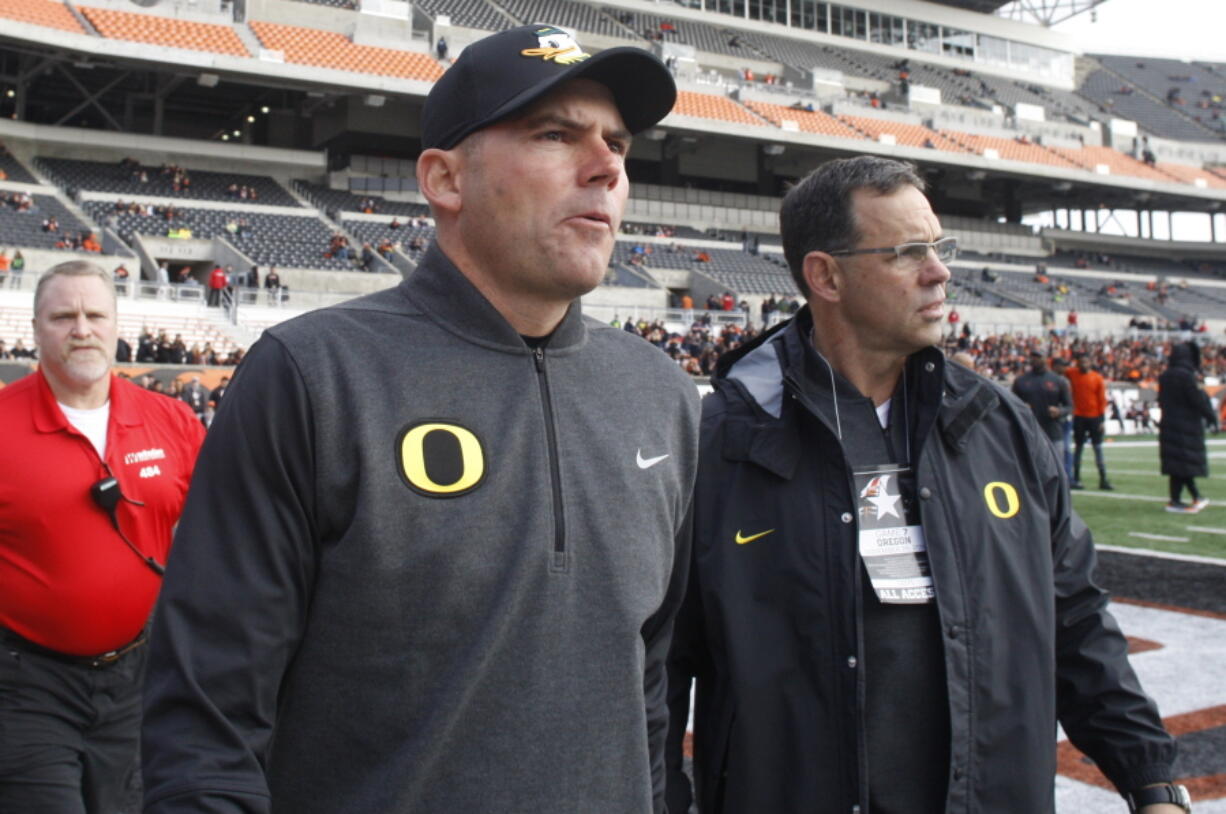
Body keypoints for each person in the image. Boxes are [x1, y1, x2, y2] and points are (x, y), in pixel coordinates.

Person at [141, 24, 698, 814]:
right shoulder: (314, 374)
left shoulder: (663, 394)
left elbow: (644, 682)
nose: (607, 166)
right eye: (555, 134)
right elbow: (206, 717)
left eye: (618, 142)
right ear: (444, 178)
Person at [666, 156, 1185, 814]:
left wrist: (1151, 780)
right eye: (909, 253)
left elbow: (1075, 619)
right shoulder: (719, 444)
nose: (940, 272)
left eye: (941, 248)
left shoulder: (1000, 425)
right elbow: (659, 666)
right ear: (825, 275)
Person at [0, 261, 205, 812]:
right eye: (63, 316)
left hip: (137, 680)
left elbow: (223, 532)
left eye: (95, 315)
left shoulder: (174, 421)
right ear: (36, 328)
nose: (82, 329)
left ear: (117, 325)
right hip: (25, 686)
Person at [1158, 342, 1218, 513]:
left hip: (1169, 424)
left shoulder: (1166, 376)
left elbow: (1162, 401)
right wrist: (1211, 418)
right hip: (1186, 425)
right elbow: (1196, 400)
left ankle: (1181, 499)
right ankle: (1189, 498)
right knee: (1183, 464)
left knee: (1177, 465)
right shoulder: (1185, 376)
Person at [1067, 353, 1114, 490]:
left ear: (1090, 363)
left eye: (1085, 362)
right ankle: (1076, 479)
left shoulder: (1097, 378)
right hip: (1079, 416)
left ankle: (1103, 479)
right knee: (1078, 448)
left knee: (1097, 448)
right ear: (1077, 363)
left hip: (1094, 417)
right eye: (1080, 362)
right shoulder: (1072, 373)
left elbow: (1102, 400)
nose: (1083, 364)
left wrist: (1102, 420)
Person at [1011, 350, 1072, 458]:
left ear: (1045, 359)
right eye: (1033, 357)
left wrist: (1059, 411)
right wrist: (1022, 408)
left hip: (1053, 432)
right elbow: (1012, 404)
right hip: (1029, 432)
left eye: (1038, 357)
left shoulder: (1058, 380)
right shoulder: (1021, 381)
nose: (1035, 359)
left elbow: (1069, 406)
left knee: (1057, 469)